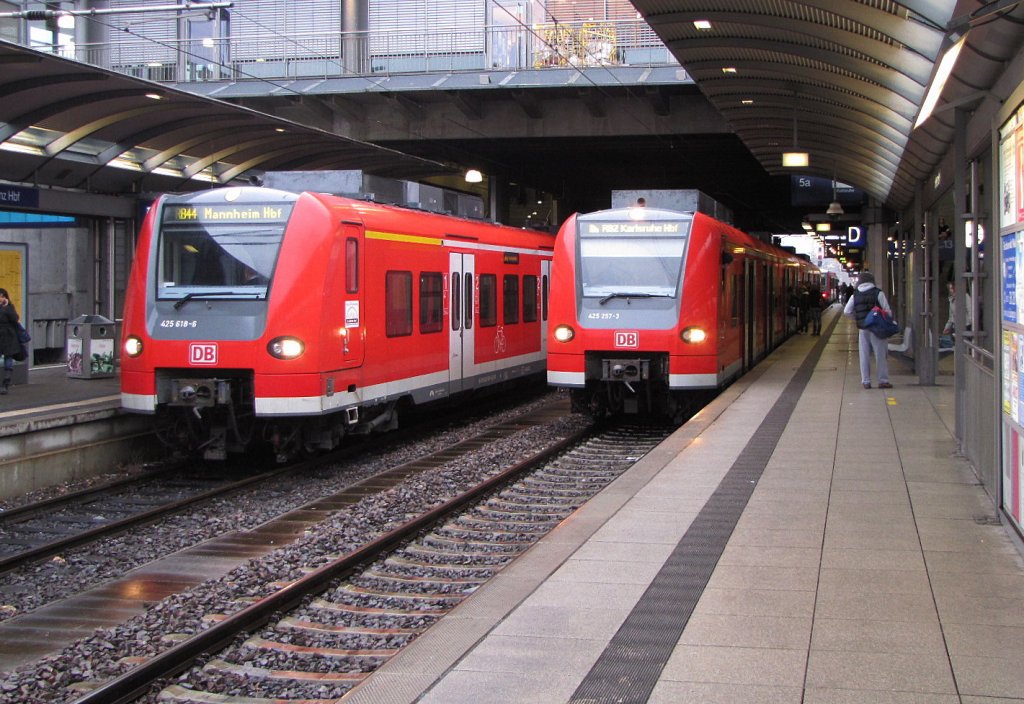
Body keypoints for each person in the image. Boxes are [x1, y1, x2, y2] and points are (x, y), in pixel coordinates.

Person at [843, 271, 892, 389]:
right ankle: (883, 380)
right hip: (877, 328)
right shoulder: (878, 293)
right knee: (880, 354)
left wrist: (857, 318)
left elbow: (846, 311)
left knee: (864, 354)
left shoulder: (855, 295)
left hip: (863, 328)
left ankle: (866, 381)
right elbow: (887, 311)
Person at [0, 288, 22, 394]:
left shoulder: (9, 307)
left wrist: (7, 308)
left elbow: (15, 318)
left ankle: (6, 383)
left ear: (5, 297)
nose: (1, 298)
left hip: (8, 336)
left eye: (2, 296)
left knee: (8, 358)